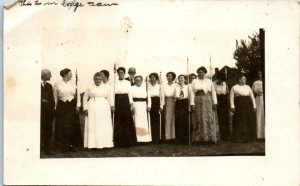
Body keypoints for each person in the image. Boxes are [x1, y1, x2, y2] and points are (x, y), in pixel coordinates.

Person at [53, 68, 82, 151]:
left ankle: (71, 145)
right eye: (70, 73)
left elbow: (78, 95)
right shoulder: (57, 84)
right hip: (62, 106)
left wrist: (78, 105)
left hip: (71, 106)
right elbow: (55, 97)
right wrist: (55, 108)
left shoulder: (73, 84)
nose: (71, 75)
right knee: (62, 125)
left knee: (71, 126)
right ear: (65, 74)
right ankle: (62, 145)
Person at [83, 72, 114, 149]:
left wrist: (112, 105)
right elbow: (85, 98)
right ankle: (92, 144)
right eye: (96, 79)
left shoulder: (107, 87)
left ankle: (105, 143)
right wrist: (85, 108)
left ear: (102, 79)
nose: (98, 80)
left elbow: (110, 97)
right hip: (92, 106)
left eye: (99, 79)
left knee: (103, 125)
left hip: (104, 107)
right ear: (93, 79)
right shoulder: (89, 86)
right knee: (93, 124)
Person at [190, 66, 219, 144]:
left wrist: (215, 102)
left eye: (202, 72)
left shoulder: (209, 81)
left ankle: (210, 138)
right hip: (198, 99)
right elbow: (192, 93)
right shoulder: (194, 81)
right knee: (199, 118)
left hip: (208, 100)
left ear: (205, 73)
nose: (201, 74)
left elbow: (213, 92)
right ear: (197, 73)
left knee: (208, 118)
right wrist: (192, 103)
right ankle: (199, 138)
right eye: (199, 72)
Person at [113, 67, 137, 147]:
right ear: (117, 73)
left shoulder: (127, 82)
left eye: (122, 73)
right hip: (117, 101)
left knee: (126, 121)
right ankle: (118, 142)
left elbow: (130, 94)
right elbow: (112, 94)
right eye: (119, 73)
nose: (120, 74)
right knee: (118, 120)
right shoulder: (114, 82)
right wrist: (112, 104)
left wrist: (131, 105)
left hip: (125, 102)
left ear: (124, 73)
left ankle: (128, 142)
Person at [230, 74, 257, 143]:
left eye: (245, 79)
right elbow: (231, 98)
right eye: (243, 79)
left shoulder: (248, 87)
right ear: (239, 80)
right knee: (240, 120)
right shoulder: (234, 87)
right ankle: (239, 138)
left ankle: (249, 138)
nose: (245, 80)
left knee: (248, 120)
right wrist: (232, 106)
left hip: (248, 104)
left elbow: (252, 97)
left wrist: (254, 106)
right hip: (239, 105)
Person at [132, 75, 152, 143]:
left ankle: (144, 139)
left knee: (143, 122)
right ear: (134, 81)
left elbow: (149, 98)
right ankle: (137, 139)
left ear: (142, 81)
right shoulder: (132, 88)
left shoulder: (145, 88)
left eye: (139, 80)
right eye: (136, 80)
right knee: (136, 121)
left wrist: (149, 106)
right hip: (135, 105)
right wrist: (131, 107)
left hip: (143, 106)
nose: (138, 81)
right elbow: (130, 98)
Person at [41, 69, 55, 155]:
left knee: (48, 131)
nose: (51, 76)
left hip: (48, 113)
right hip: (39, 112)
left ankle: (47, 149)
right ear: (44, 75)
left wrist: (52, 110)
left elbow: (52, 99)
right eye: (50, 74)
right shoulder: (35, 85)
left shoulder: (49, 86)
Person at [160, 72, 177, 142]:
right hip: (167, 101)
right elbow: (162, 96)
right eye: (167, 76)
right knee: (168, 119)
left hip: (175, 102)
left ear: (173, 77)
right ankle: (167, 137)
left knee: (174, 119)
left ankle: (173, 136)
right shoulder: (163, 85)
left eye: (170, 76)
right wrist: (162, 105)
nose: (168, 77)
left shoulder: (176, 85)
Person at [213, 72, 230, 141]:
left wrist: (228, 103)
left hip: (224, 101)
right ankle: (218, 135)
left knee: (225, 118)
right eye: (219, 79)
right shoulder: (213, 83)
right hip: (217, 100)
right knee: (218, 117)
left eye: (222, 79)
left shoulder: (225, 84)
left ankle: (226, 135)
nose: (221, 80)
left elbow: (227, 93)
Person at [175, 74, 190, 144]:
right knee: (179, 120)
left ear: (184, 79)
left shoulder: (187, 87)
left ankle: (185, 139)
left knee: (185, 120)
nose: (180, 79)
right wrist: (176, 97)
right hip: (178, 103)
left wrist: (189, 106)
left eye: (182, 78)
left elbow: (190, 96)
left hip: (185, 103)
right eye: (179, 78)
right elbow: (174, 96)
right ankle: (179, 139)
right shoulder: (176, 87)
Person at [148, 73, 161, 144]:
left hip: (157, 102)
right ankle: (151, 138)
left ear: (156, 78)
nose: (152, 79)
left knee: (156, 121)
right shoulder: (148, 86)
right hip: (150, 103)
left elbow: (161, 97)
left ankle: (157, 138)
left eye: (154, 77)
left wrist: (161, 106)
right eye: (151, 77)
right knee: (150, 120)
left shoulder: (159, 86)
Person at [252, 71, 264, 139]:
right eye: (259, 74)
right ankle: (259, 134)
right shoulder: (255, 83)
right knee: (259, 115)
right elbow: (252, 92)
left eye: (261, 74)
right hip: (258, 100)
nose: (260, 75)